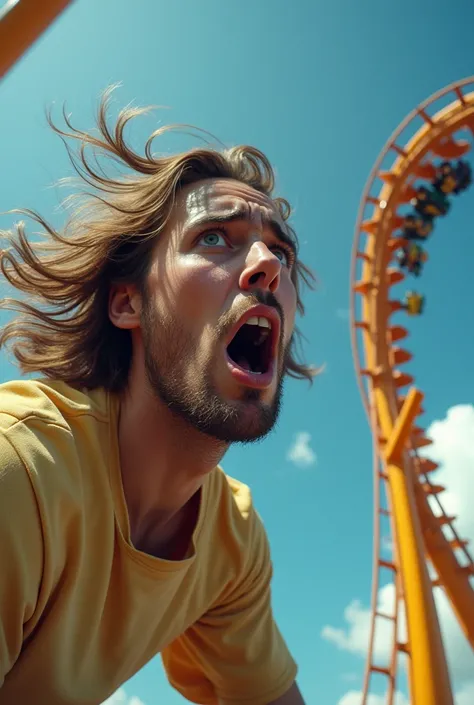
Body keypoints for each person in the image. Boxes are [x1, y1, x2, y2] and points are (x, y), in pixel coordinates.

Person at [0, 89, 317, 705]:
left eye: (280, 250)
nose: (267, 266)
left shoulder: (234, 537)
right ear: (129, 303)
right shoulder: (22, 472)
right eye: (214, 239)